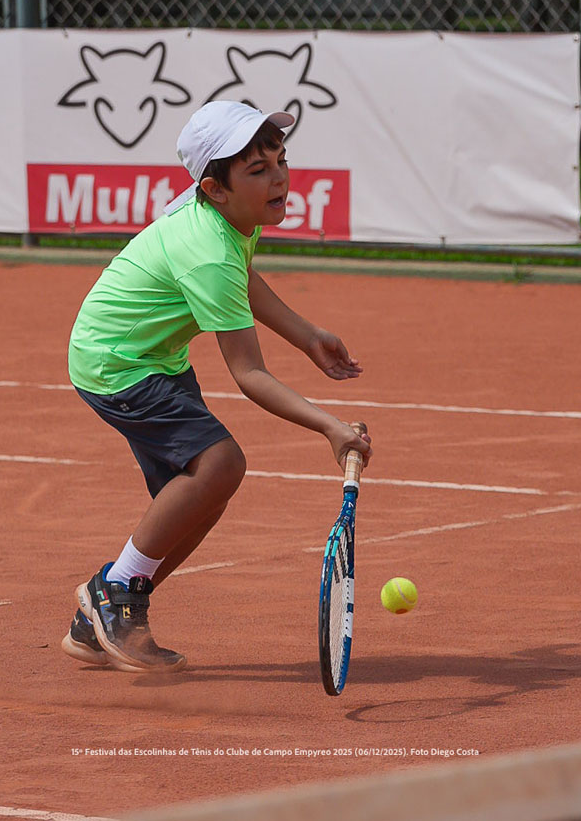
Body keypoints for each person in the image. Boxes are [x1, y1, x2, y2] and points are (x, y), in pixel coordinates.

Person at [61, 100, 372, 672]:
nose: (278, 177)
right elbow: (249, 373)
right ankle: (113, 593)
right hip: (115, 363)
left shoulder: (229, 222)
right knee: (221, 464)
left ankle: (100, 616)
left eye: (280, 161)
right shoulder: (205, 248)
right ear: (214, 189)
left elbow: (241, 277)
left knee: (201, 494)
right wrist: (329, 426)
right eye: (258, 169)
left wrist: (307, 336)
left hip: (153, 357)